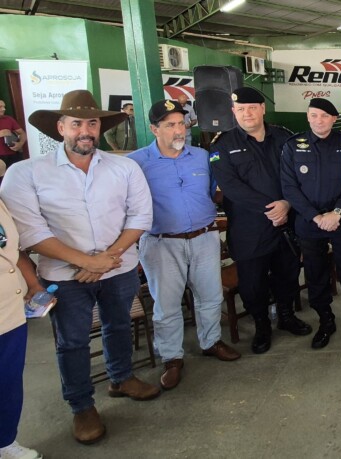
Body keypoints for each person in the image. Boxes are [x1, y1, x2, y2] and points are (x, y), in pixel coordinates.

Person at [0, 89, 159, 444]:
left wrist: (106, 259)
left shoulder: (124, 166)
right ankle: (81, 405)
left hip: (118, 269)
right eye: (76, 124)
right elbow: (29, 232)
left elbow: (140, 216)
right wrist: (88, 262)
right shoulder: (26, 173)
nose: (84, 130)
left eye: (92, 123)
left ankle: (120, 378)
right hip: (64, 277)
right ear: (60, 127)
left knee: (119, 325)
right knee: (71, 342)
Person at [129, 99, 241, 391]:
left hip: (204, 236)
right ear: (155, 129)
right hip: (161, 242)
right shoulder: (136, 163)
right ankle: (172, 357)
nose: (178, 130)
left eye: (181, 123)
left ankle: (211, 341)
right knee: (166, 305)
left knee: (211, 295)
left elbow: (213, 193)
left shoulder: (202, 156)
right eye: (170, 125)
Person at [210, 87, 311, 355]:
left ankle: (286, 315)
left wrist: (287, 205)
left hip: (286, 225)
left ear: (262, 109)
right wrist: (272, 208)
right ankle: (262, 325)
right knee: (252, 284)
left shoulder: (284, 137)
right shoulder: (223, 145)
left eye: (252, 107)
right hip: (249, 228)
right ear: (233, 112)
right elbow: (231, 187)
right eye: (240, 109)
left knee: (288, 275)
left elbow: (298, 175)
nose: (247, 113)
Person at [280, 98, 341, 349]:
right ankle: (325, 321)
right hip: (309, 222)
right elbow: (289, 187)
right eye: (314, 115)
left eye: (325, 116)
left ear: (333, 119)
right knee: (316, 275)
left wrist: (337, 212)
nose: (319, 120)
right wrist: (316, 217)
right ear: (308, 117)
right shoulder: (292, 146)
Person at [0, 201, 43, 459]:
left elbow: (12, 250)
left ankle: (5, 442)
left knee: (9, 380)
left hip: (11, 311)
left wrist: (33, 284)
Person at [0, 100, 27, 169]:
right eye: (0, 107)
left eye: (4, 106)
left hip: (13, 155)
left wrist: (20, 144)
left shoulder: (9, 119)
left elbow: (22, 133)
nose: (4, 109)